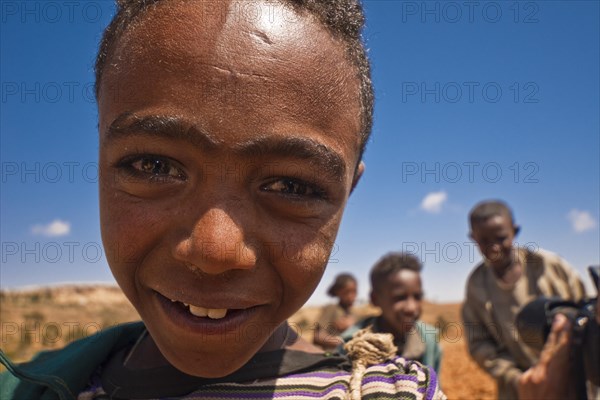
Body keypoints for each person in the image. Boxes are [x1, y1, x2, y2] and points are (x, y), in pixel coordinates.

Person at [0, 1, 445, 399]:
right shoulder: (30, 385)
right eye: (153, 166)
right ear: (100, 157)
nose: (214, 252)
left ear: (346, 192)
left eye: (292, 186)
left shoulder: (384, 393)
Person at [462, 199, 585, 399]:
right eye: (484, 241)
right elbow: (479, 344)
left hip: (574, 381)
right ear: (473, 238)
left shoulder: (549, 267)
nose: (494, 248)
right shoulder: (476, 286)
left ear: (515, 231)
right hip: (520, 391)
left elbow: (584, 313)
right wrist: (518, 378)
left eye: (501, 238)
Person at [340, 252, 442, 376]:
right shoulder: (351, 344)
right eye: (400, 298)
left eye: (417, 296)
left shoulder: (429, 341)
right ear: (375, 299)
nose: (411, 307)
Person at [313, 273, 358, 351]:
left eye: (354, 291)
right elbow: (318, 336)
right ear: (338, 292)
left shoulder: (353, 313)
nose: (351, 296)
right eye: (346, 292)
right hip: (331, 356)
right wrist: (342, 342)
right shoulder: (332, 309)